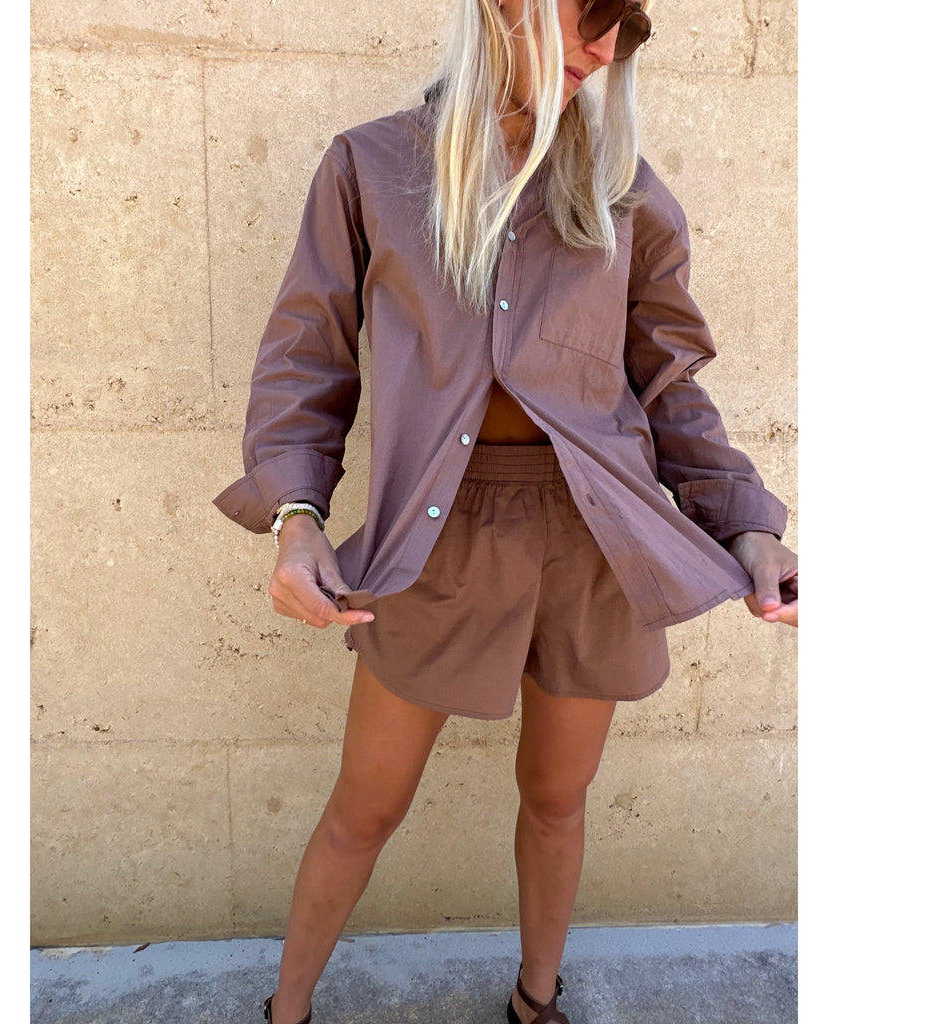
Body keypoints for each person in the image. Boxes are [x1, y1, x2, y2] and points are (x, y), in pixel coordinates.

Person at [213, 2, 798, 1022]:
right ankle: (285, 1011)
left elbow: (670, 388)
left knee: (557, 799)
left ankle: (536, 1003)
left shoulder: (622, 192)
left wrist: (747, 524)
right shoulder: (371, 170)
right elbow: (306, 359)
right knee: (365, 805)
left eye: (628, 28)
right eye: (592, 13)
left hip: (598, 539)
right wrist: (295, 518)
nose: (606, 48)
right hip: (436, 536)